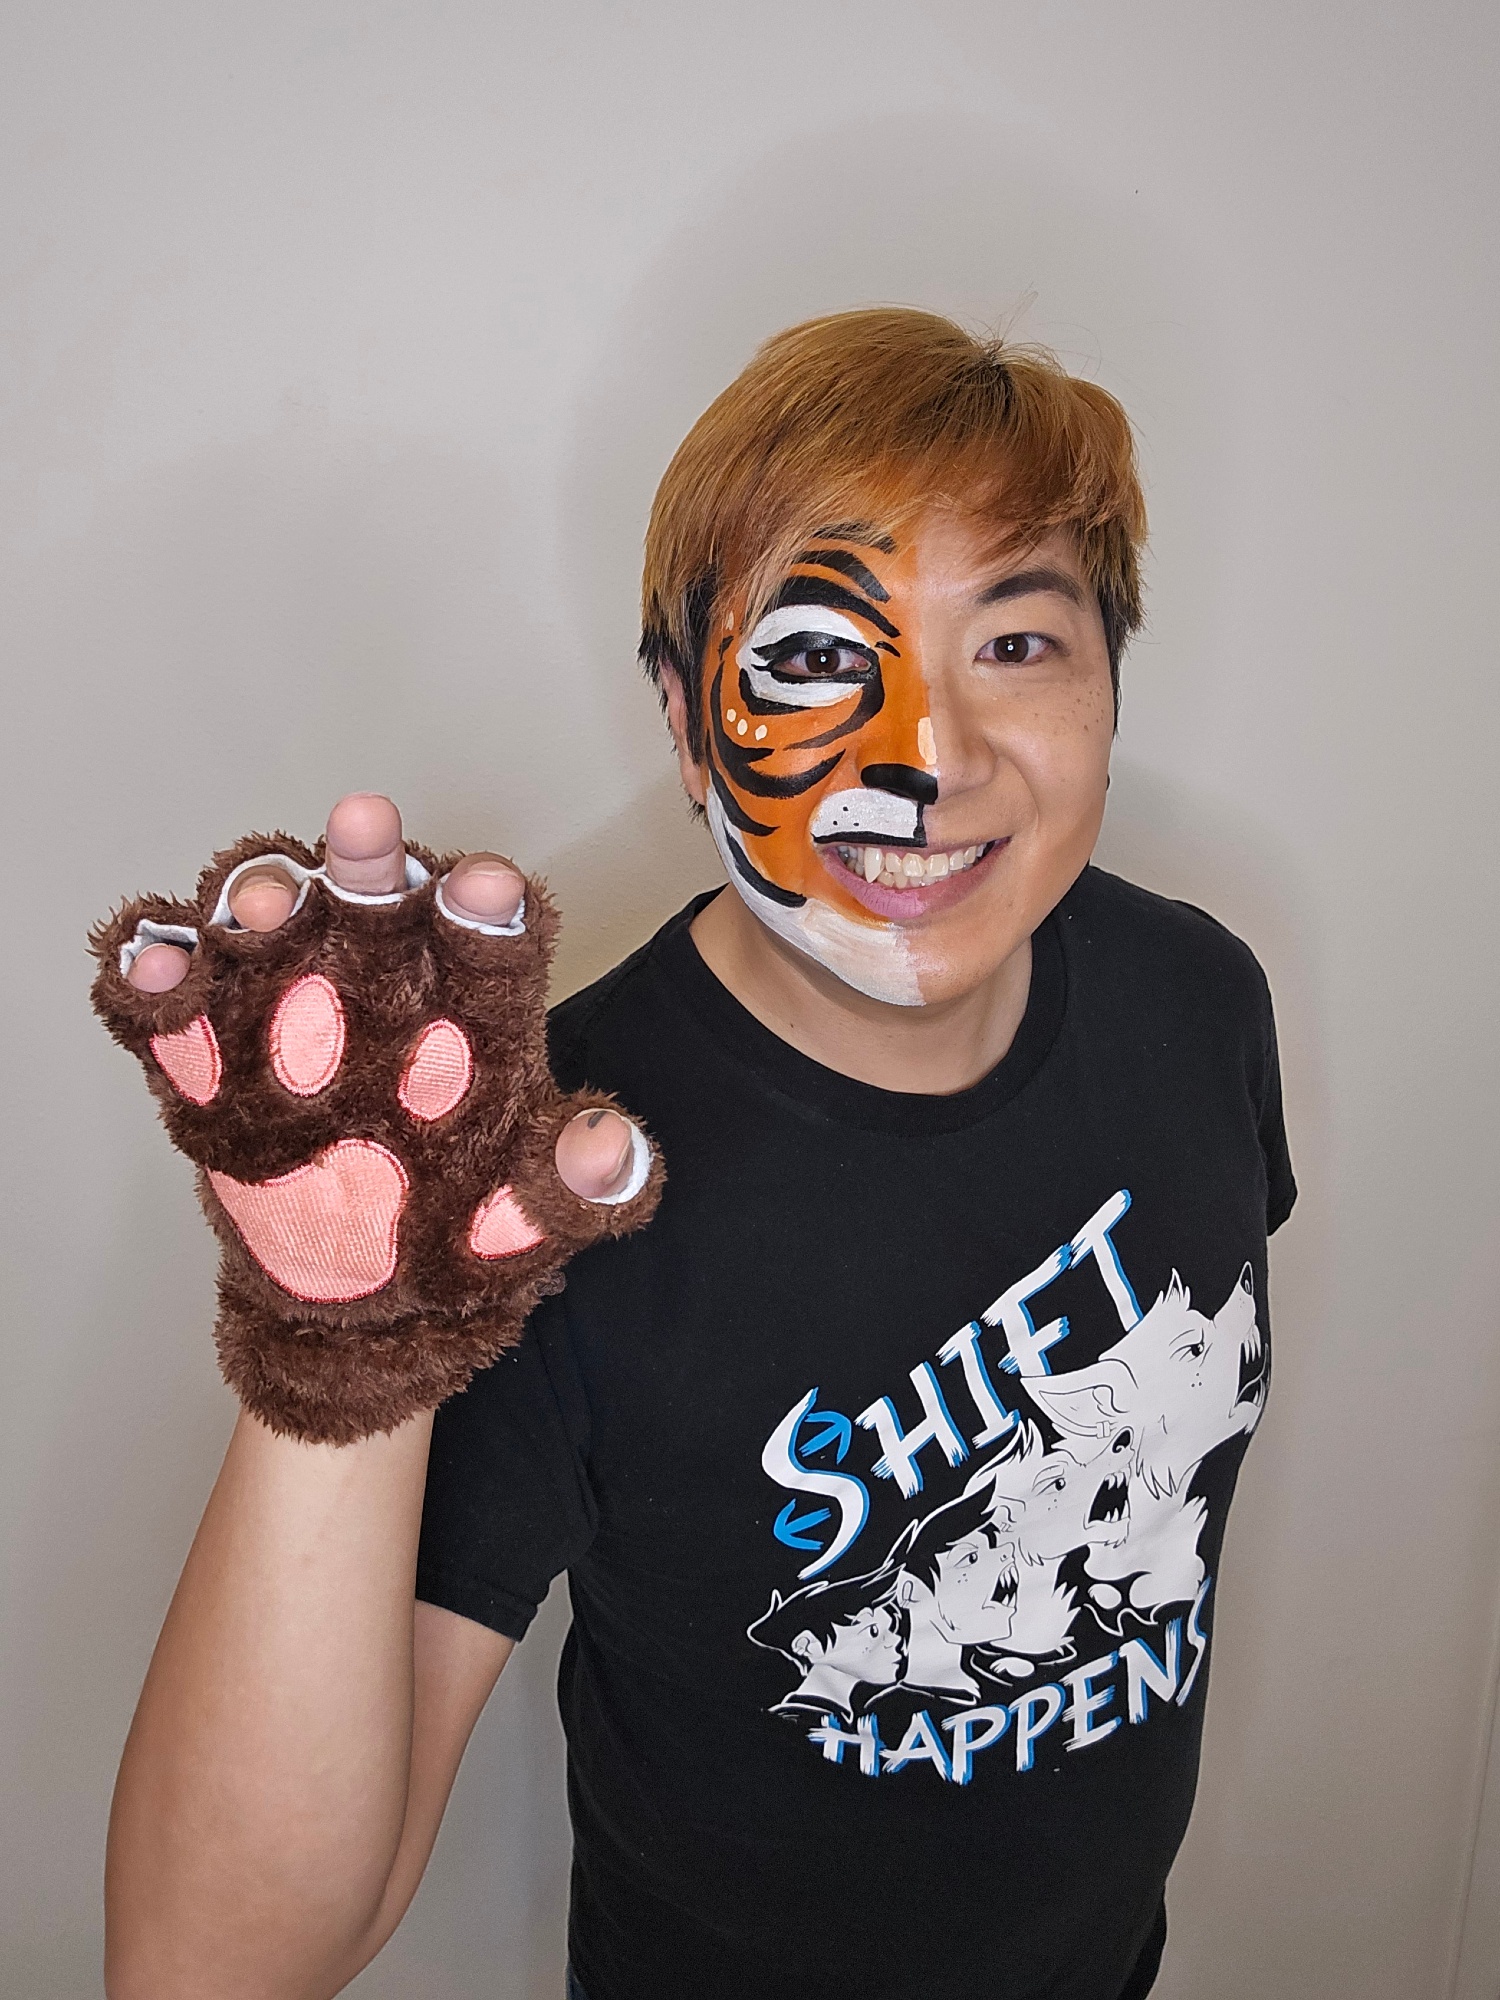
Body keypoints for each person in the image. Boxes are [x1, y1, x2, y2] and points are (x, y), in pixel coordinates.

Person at [102, 308, 1295, 2000]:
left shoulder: (1199, 1003)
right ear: (682, 722)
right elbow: (208, 1966)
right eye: (814, 659)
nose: (930, 757)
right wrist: (342, 1341)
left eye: (1018, 643)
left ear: (1111, 687)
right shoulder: (545, 1183)